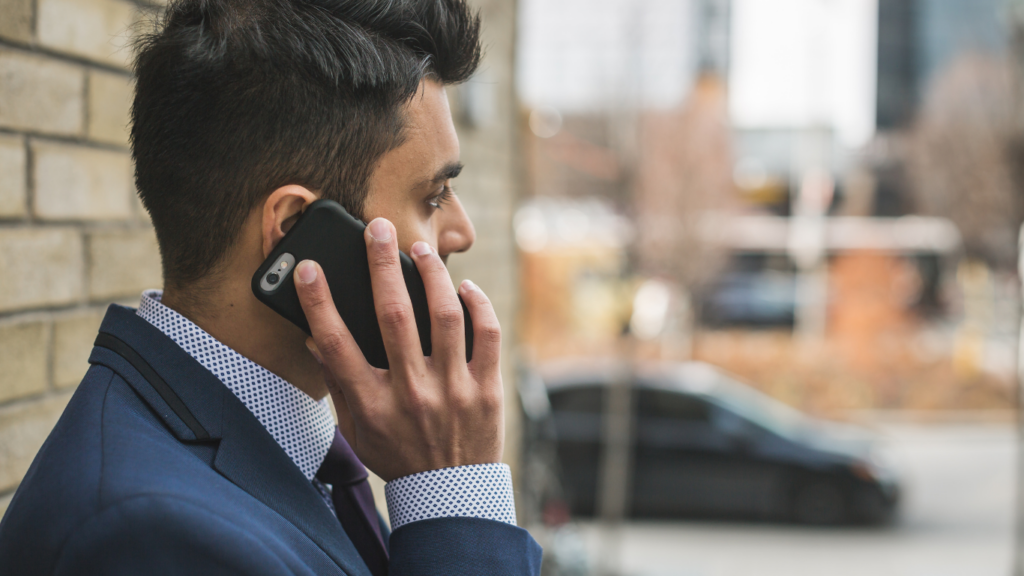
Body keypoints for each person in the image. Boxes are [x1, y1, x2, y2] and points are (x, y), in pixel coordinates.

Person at [0, 0, 542, 573]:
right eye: (432, 197)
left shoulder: (296, 451)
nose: (462, 232)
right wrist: (455, 493)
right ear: (293, 232)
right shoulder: (149, 535)